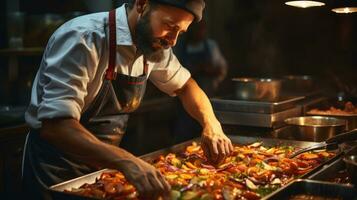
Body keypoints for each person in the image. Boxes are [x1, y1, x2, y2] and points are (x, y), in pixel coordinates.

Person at [22, 0, 233, 199]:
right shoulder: (84, 38)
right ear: (142, 4)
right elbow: (56, 126)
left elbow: (187, 86)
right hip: (56, 171)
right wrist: (126, 161)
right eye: (170, 25)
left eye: (180, 32)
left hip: (105, 168)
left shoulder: (155, 45)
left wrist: (211, 124)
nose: (173, 40)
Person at [172, 19, 228, 143]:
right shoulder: (179, 47)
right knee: (184, 137)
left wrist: (207, 69)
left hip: (208, 97)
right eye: (197, 29)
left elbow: (222, 69)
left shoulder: (211, 46)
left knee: (209, 134)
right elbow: (175, 77)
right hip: (183, 104)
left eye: (203, 29)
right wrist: (193, 70)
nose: (200, 32)